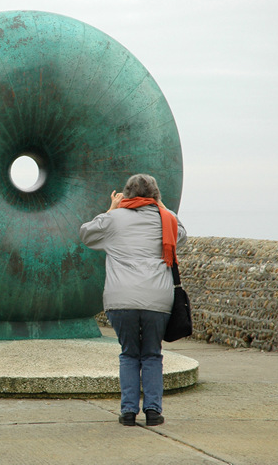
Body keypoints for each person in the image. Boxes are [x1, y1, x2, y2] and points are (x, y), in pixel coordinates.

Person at [79, 173, 187, 427]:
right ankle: (153, 411)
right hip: (158, 301)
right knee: (151, 354)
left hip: (121, 300)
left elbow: (86, 234)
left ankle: (128, 412)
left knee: (129, 354)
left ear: (126, 194)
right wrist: (162, 208)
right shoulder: (166, 220)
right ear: (155, 195)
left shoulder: (113, 219)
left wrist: (111, 208)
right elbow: (181, 235)